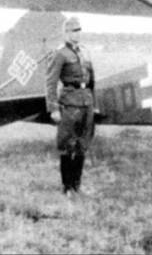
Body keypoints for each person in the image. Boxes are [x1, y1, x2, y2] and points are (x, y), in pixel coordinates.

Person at [45, 16, 96, 196]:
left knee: (82, 144)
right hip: (69, 103)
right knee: (68, 145)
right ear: (66, 33)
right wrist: (54, 109)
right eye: (73, 31)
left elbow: (91, 80)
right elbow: (50, 82)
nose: (77, 34)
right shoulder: (60, 53)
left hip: (85, 103)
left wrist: (92, 103)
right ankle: (67, 187)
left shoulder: (84, 52)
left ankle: (77, 185)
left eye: (79, 30)